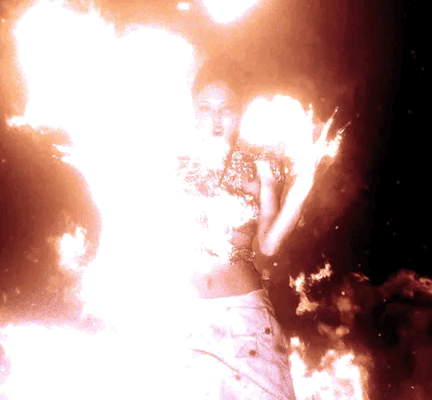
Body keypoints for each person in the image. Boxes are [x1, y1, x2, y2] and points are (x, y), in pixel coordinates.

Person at [173, 59, 323, 400]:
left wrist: (304, 182)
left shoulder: (259, 168)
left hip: (243, 321)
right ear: (193, 111)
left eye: (226, 109)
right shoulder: (173, 164)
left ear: (239, 112)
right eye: (205, 108)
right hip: (186, 319)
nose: (216, 120)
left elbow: (268, 245)